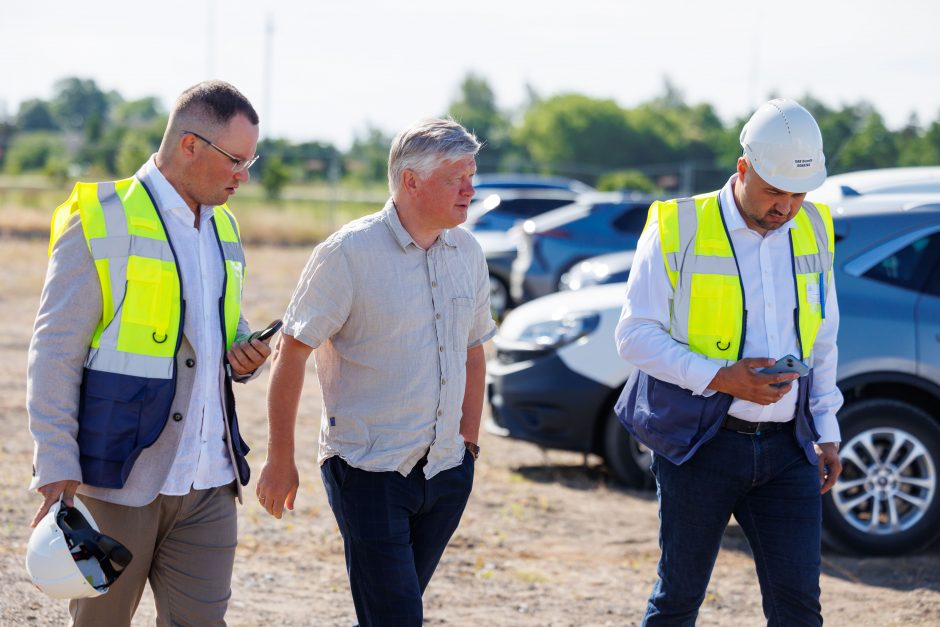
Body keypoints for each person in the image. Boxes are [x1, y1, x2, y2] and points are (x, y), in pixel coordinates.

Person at [27, 79, 272, 626]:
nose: (244, 176)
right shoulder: (100, 219)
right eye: (236, 160)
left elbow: (220, 324)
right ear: (189, 145)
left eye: (251, 160)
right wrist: (56, 460)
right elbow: (54, 351)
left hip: (210, 478)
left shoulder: (225, 227)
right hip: (117, 475)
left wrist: (242, 348)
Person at [256, 118, 495, 626]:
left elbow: (473, 350)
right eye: (457, 177)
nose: (470, 189)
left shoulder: (468, 253)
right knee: (396, 617)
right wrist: (281, 458)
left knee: (392, 611)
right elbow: (291, 351)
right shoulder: (347, 253)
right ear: (411, 181)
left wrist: (467, 446)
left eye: (472, 175)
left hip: (446, 471)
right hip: (367, 471)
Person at [614, 98, 844, 626]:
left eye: (798, 193)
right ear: (743, 169)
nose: (786, 207)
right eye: (773, 191)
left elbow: (824, 339)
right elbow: (633, 336)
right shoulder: (678, 226)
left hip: (790, 450)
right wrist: (722, 378)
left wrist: (826, 430)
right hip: (701, 447)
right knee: (677, 601)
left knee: (800, 610)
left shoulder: (813, 227)